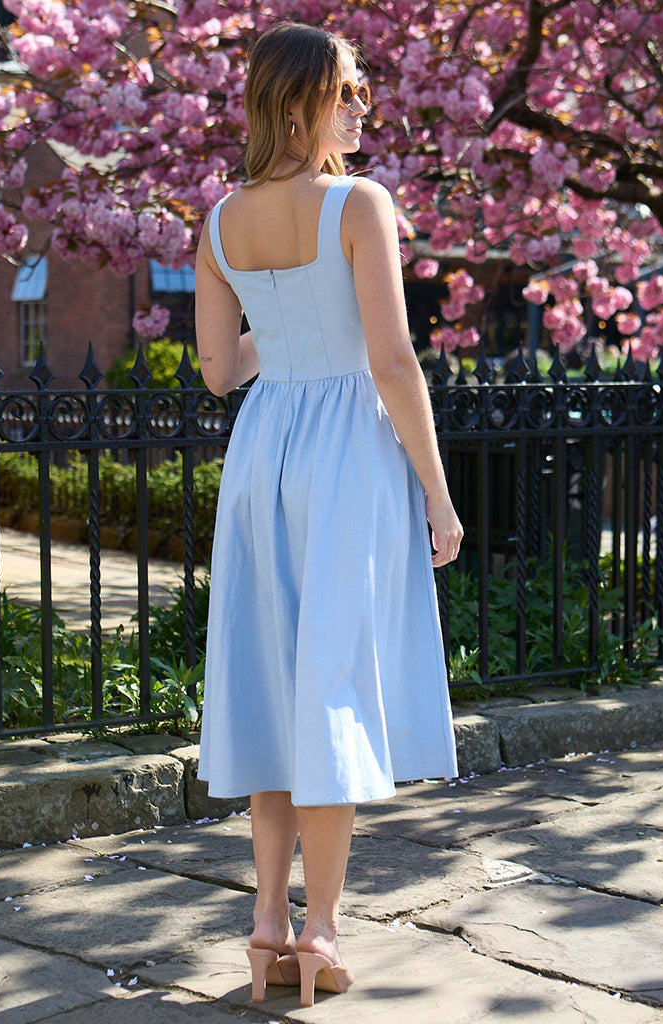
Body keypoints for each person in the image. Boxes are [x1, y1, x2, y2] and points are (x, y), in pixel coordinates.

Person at [193, 20, 463, 1009]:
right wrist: (435, 490)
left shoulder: (219, 220)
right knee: (333, 690)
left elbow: (223, 368)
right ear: (306, 101)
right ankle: (320, 931)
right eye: (349, 92)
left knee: (270, 686)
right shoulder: (358, 202)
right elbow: (392, 361)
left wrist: (291, 327)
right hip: (348, 450)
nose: (362, 109)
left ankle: (264, 920)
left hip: (264, 453)